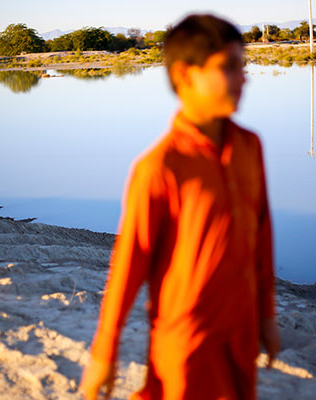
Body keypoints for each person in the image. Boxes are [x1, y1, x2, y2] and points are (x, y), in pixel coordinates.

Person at [80, 14, 280, 400]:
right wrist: (105, 352)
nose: (244, 79)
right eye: (230, 67)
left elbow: (263, 233)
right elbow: (129, 261)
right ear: (187, 76)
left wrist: (268, 315)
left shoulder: (250, 146)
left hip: (240, 332)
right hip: (188, 341)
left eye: (244, 65)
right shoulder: (159, 168)